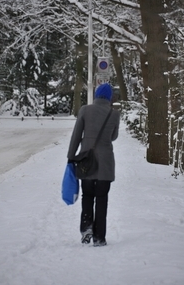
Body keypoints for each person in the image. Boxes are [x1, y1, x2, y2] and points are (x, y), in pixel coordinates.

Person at [67, 83, 120, 247]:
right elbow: (113, 137)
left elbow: (76, 135)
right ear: (110, 97)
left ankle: (86, 228)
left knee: (87, 195)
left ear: (96, 95)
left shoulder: (85, 110)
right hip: (105, 163)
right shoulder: (114, 114)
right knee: (102, 199)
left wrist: (71, 157)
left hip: (86, 162)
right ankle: (99, 238)